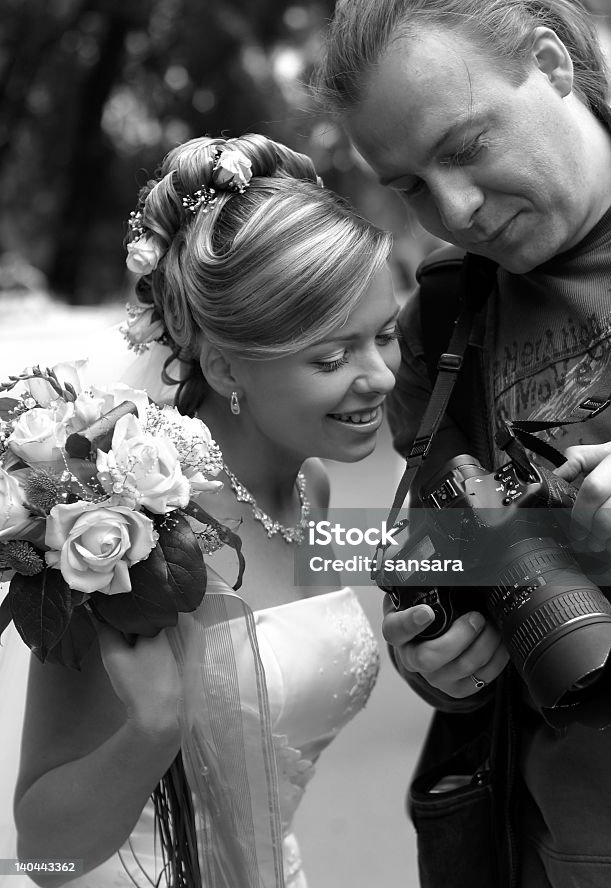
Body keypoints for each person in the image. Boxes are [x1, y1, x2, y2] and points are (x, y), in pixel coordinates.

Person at [313, 0, 611, 886]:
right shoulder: (441, 326)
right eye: (409, 184)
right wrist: (437, 649)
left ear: (551, 64)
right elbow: (455, 553)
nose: (454, 208)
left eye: (466, 146)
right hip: (592, 854)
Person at [7, 133, 401, 888]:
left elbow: (413, 556)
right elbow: (44, 853)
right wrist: (155, 730)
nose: (379, 376)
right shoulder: (125, 533)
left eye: (384, 335)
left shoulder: (309, 487)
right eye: (332, 357)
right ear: (224, 365)